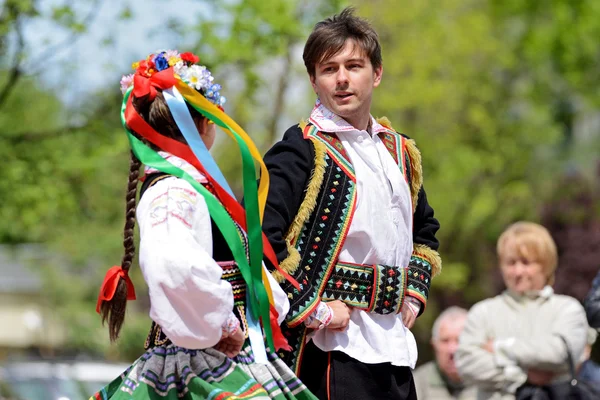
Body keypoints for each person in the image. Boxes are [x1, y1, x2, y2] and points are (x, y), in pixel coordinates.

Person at [92, 49, 316, 400]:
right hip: (198, 365)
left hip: (228, 355)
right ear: (202, 126)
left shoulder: (192, 188)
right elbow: (171, 265)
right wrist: (222, 323)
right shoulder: (172, 190)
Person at [261, 8, 441, 400]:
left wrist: (412, 295)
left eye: (354, 65)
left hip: (395, 345)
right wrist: (314, 309)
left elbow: (425, 232)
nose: (342, 78)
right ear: (313, 80)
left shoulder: (399, 150)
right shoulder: (302, 148)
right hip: (332, 349)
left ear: (376, 73)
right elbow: (257, 235)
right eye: (329, 69)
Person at [455, 221, 588, 400]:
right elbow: (467, 363)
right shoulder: (483, 312)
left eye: (526, 263)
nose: (518, 271)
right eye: (510, 263)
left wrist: (499, 347)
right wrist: (525, 376)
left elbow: (560, 352)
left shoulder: (567, 309)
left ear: (546, 264)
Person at [413, 307, 477, 400]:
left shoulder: (489, 381)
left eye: (459, 340)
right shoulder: (416, 383)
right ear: (434, 345)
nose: (452, 350)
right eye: (445, 341)